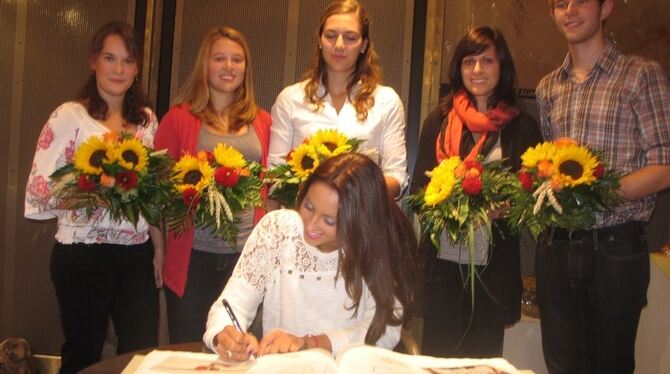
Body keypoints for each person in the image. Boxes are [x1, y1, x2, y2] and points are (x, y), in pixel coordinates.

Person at [535, 1, 670, 372]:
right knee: (561, 366)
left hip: (615, 247)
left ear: (606, 7)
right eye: (560, 3)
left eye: (581, 1)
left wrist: (596, 195)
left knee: (610, 365)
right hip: (556, 247)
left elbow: (664, 166)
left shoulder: (641, 75)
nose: (570, 10)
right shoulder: (548, 87)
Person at [24, 22, 161, 373]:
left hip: (135, 253)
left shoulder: (146, 122)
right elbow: (39, 191)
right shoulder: (69, 116)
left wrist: (157, 249)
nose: (118, 69)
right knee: (83, 353)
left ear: (137, 68)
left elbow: (150, 195)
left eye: (128, 61)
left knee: (141, 354)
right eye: (110, 58)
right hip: (83, 253)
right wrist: (93, 193)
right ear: (93, 61)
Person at [203, 153, 421, 360]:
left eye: (329, 220)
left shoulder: (372, 246)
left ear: (359, 221)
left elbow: (384, 329)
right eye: (308, 206)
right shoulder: (276, 230)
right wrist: (224, 335)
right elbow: (232, 304)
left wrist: (313, 343)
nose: (311, 224)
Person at [411, 26, 542, 358]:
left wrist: (506, 207)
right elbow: (418, 192)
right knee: (436, 361)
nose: (478, 70)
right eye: (469, 61)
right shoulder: (438, 122)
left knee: (483, 362)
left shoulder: (522, 127)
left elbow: (532, 198)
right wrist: (443, 203)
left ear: (502, 67)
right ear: (459, 68)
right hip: (442, 269)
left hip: (492, 270)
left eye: (487, 60)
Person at [154, 26, 271, 344]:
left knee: (240, 349)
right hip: (193, 258)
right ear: (205, 65)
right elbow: (158, 191)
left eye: (237, 59)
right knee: (189, 347)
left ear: (246, 68)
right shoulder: (178, 119)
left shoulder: (262, 121)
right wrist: (159, 249)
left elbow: (271, 190)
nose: (229, 67)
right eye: (219, 58)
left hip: (246, 257)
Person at [269, 0, 407, 200]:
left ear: (364, 45)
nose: (339, 45)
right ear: (319, 40)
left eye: (351, 38)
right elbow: (275, 174)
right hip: (306, 223)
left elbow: (397, 177)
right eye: (331, 36)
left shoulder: (386, 101)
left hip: (361, 222)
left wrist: (355, 191)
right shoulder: (290, 99)